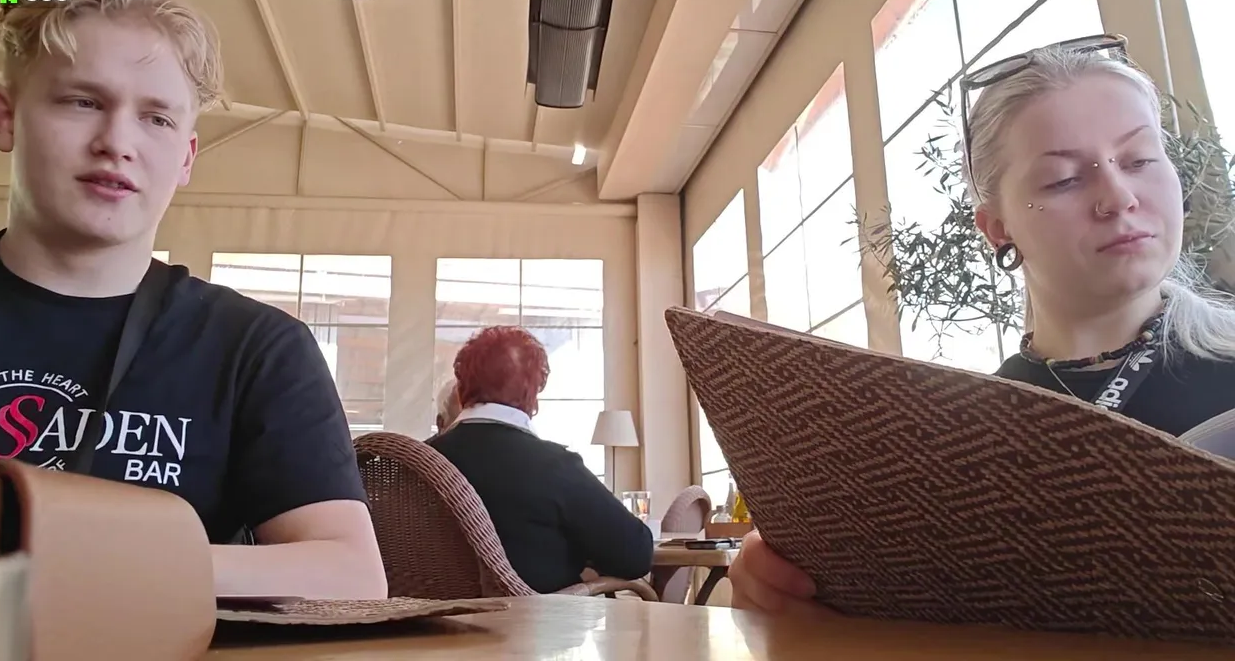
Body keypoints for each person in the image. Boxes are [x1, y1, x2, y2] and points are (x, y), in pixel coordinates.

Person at [727, 36, 1235, 612]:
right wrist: (784, 594)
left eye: (1140, 159)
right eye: (1063, 179)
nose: (1118, 197)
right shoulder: (961, 439)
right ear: (998, 228)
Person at [0, 0, 386, 599]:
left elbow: (350, 574)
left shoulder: (255, 348)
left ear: (186, 157)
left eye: (156, 118)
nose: (117, 141)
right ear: (3, 117)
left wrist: (87, 564)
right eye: (82, 101)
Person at [428, 326, 654, 593]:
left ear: (461, 389)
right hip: (536, 618)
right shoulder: (554, 465)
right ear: (532, 396)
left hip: (428, 618)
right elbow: (635, 555)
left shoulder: (415, 464)